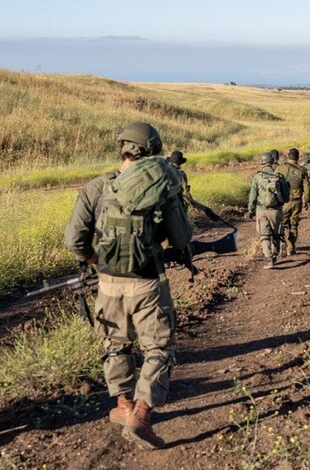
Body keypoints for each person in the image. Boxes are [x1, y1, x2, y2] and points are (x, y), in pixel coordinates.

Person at [64, 122, 193, 450]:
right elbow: (181, 238)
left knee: (116, 345)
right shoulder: (163, 184)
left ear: (122, 148)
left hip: (108, 284)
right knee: (158, 348)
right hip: (148, 282)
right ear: (153, 149)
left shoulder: (97, 187)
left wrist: (97, 262)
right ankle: (141, 416)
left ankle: (123, 406)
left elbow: (74, 240)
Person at [247, 152, 289, 269]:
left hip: (261, 210)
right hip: (276, 211)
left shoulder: (257, 177)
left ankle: (269, 259)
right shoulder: (279, 176)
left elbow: (252, 196)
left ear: (262, 162)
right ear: (272, 161)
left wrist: (250, 210)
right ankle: (275, 255)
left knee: (264, 236)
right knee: (276, 235)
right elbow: (286, 196)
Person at [276, 148, 310, 257]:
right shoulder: (303, 170)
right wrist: (307, 201)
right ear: (298, 157)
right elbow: (307, 188)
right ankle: (291, 248)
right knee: (294, 225)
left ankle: (282, 242)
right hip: (297, 202)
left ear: (288, 156)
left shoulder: (280, 168)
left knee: (281, 224)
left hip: (284, 202)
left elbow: (274, 184)